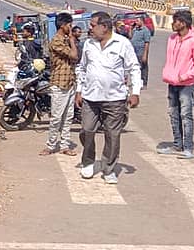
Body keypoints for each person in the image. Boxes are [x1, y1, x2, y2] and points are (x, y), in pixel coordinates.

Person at [75, 11, 141, 184]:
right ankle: (88, 161)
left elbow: (134, 68)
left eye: (92, 25)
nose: (89, 28)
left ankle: (109, 168)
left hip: (115, 98)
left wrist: (135, 92)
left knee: (112, 134)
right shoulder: (89, 44)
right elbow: (82, 68)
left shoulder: (122, 43)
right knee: (86, 130)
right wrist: (79, 90)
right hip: (90, 97)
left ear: (104, 27)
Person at [159, 10, 194, 160]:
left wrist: (185, 76)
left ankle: (188, 147)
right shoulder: (172, 38)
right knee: (173, 114)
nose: (173, 24)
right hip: (172, 82)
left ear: (183, 23)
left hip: (187, 84)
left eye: (176, 21)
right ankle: (177, 144)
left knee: (186, 115)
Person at [41, 13, 78, 156]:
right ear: (63, 25)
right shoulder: (57, 41)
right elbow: (74, 56)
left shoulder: (65, 40)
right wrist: (73, 41)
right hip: (59, 83)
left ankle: (64, 145)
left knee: (68, 117)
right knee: (56, 117)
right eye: (69, 25)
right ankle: (51, 145)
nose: (71, 27)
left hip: (69, 82)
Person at [129, 20, 151, 89]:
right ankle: (137, 82)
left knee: (143, 68)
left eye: (137, 21)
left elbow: (147, 43)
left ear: (142, 21)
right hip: (134, 51)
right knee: (136, 67)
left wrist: (145, 55)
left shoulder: (145, 31)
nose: (136, 22)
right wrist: (131, 28)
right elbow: (130, 37)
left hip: (141, 51)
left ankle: (144, 83)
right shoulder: (135, 29)